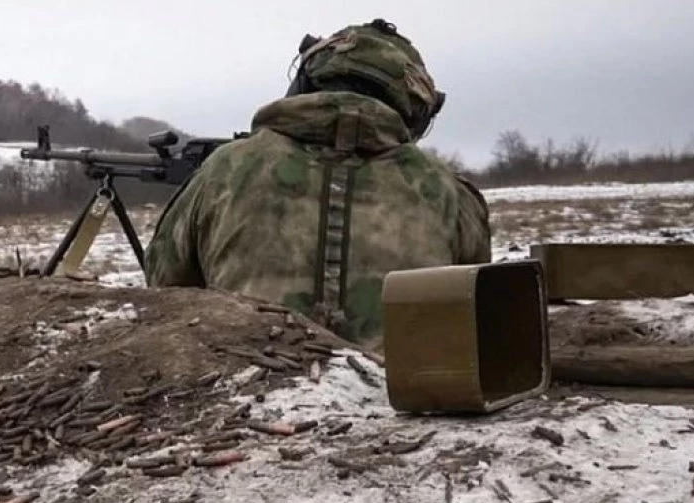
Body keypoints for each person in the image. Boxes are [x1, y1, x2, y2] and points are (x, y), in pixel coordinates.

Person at [143, 18, 492, 349]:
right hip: (405, 392)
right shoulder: (450, 193)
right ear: (414, 113)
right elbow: (478, 317)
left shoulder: (223, 169)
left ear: (303, 86)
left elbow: (165, 292)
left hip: (250, 386)